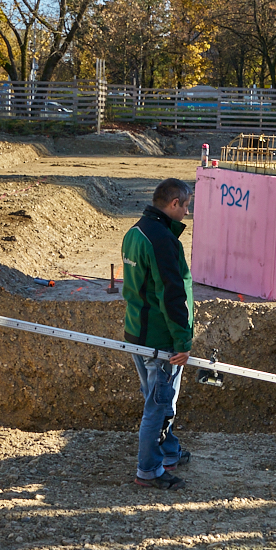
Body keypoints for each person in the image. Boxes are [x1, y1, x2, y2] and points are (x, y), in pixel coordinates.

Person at [121, 178, 195, 490]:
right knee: (159, 406)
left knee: (156, 398)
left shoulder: (135, 232)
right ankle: (149, 471)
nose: (187, 212)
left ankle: (169, 451)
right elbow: (171, 295)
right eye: (186, 206)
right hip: (160, 339)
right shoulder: (163, 240)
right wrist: (182, 342)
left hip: (137, 332)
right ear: (174, 203)